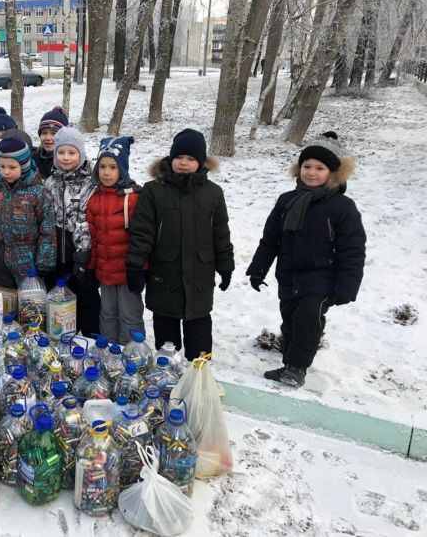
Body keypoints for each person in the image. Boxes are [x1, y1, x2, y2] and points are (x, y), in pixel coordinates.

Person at [246, 131, 366, 388]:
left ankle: (296, 369)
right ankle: (289, 361)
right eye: (307, 166)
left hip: (321, 277)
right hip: (289, 274)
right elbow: (271, 239)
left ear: (332, 173)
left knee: (308, 320)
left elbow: (353, 250)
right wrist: (258, 269)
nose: (311, 172)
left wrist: (347, 287)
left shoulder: (342, 207)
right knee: (290, 319)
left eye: (319, 168)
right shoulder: (287, 201)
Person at [126, 128, 234, 361]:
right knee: (166, 334)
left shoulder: (213, 194)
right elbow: (142, 232)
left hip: (200, 274)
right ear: (171, 158)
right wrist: (135, 265)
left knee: (199, 330)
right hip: (165, 272)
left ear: (201, 162)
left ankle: (200, 377)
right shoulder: (154, 191)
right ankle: (167, 376)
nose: (184, 163)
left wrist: (226, 266)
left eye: (191, 159)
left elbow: (221, 233)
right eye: (179, 157)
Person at [0, 136, 56, 288]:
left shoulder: (38, 192)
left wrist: (45, 260)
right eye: (2, 166)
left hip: (27, 256)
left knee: (29, 302)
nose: (6, 172)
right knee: (2, 299)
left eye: (12, 167)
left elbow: (48, 229)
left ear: (23, 166)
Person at [86, 136, 144, 344]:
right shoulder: (94, 198)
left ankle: (131, 354)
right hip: (105, 270)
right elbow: (92, 237)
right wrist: (91, 267)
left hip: (128, 271)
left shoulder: (133, 198)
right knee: (107, 313)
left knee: (130, 315)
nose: (107, 172)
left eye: (113, 167)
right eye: (102, 166)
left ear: (122, 169)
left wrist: (140, 268)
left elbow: (142, 237)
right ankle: (108, 351)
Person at [44, 126, 100, 336]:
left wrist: (85, 253)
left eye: (71, 152)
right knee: (60, 298)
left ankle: (91, 335)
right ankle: (62, 333)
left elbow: (90, 218)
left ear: (81, 153)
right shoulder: (50, 182)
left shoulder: (90, 183)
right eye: (61, 152)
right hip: (57, 250)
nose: (66, 158)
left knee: (86, 297)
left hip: (81, 252)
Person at [33, 106, 69, 178]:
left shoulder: (67, 162)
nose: (48, 138)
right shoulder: (34, 158)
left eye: (54, 133)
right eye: (44, 133)